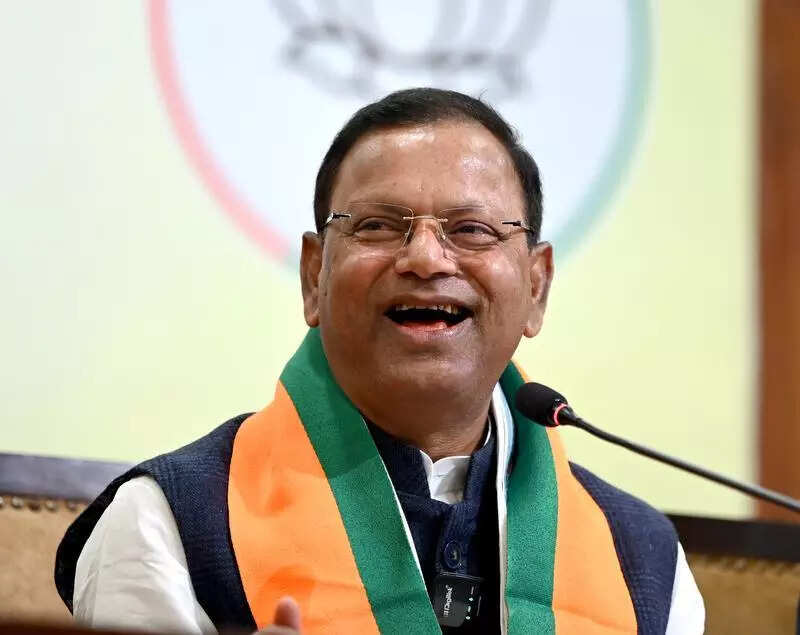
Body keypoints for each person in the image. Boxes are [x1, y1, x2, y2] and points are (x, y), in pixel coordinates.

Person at [55, 88, 704, 634]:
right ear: (314, 276)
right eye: (377, 225)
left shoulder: (644, 562)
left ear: (536, 287)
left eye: (471, 230)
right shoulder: (167, 523)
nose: (425, 258)